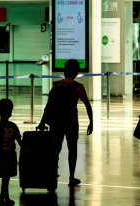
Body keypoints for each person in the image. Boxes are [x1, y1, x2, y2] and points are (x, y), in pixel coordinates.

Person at [37, 59, 93, 187]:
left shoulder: (56, 85)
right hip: (71, 122)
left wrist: (42, 122)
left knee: (55, 149)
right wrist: (91, 122)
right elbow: (88, 106)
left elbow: (49, 105)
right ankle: (71, 177)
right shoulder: (79, 87)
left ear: (64, 71)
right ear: (76, 72)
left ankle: (51, 174)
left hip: (56, 122)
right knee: (72, 149)